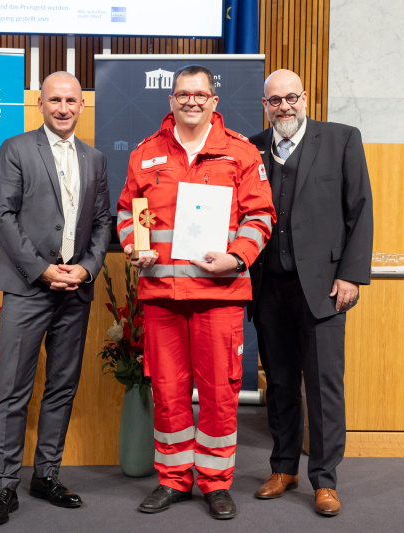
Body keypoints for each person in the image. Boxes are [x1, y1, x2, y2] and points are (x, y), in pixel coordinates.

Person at [117, 64, 275, 520]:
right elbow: (132, 213)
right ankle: (172, 479)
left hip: (219, 294)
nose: (191, 100)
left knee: (220, 392)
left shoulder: (241, 154)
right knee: (167, 392)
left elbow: (260, 215)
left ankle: (214, 481)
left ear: (213, 101)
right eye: (182, 93)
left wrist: (239, 257)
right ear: (171, 100)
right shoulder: (146, 154)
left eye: (199, 94)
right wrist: (136, 247)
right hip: (161, 295)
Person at [0, 71, 111, 527]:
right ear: (40, 103)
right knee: (14, 389)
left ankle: (48, 475)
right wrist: (41, 270)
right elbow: (2, 217)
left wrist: (87, 268)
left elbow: (102, 223)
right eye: (54, 100)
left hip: (75, 289)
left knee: (61, 387)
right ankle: (5, 487)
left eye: (71, 101)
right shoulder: (15, 150)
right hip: (28, 288)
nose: (63, 108)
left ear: (81, 106)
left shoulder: (94, 159)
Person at [247, 69, 373, 516]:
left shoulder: (341, 139)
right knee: (279, 383)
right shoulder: (251, 147)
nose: (284, 106)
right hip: (268, 288)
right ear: (265, 105)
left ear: (306, 98)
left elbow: (360, 210)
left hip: (323, 288)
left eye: (291, 98)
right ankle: (283, 467)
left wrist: (352, 275)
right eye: (275, 100)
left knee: (323, 387)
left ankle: (325, 479)